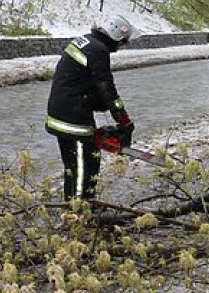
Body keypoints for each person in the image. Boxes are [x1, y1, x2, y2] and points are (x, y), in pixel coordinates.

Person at [45, 15, 139, 200]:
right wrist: (123, 120)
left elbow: (83, 81)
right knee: (82, 167)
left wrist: (99, 104)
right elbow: (106, 87)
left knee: (88, 160)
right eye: (123, 43)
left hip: (63, 111)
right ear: (116, 37)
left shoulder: (87, 41)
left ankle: (84, 205)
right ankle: (76, 212)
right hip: (72, 120)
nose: (121, 47)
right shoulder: (98, 50)